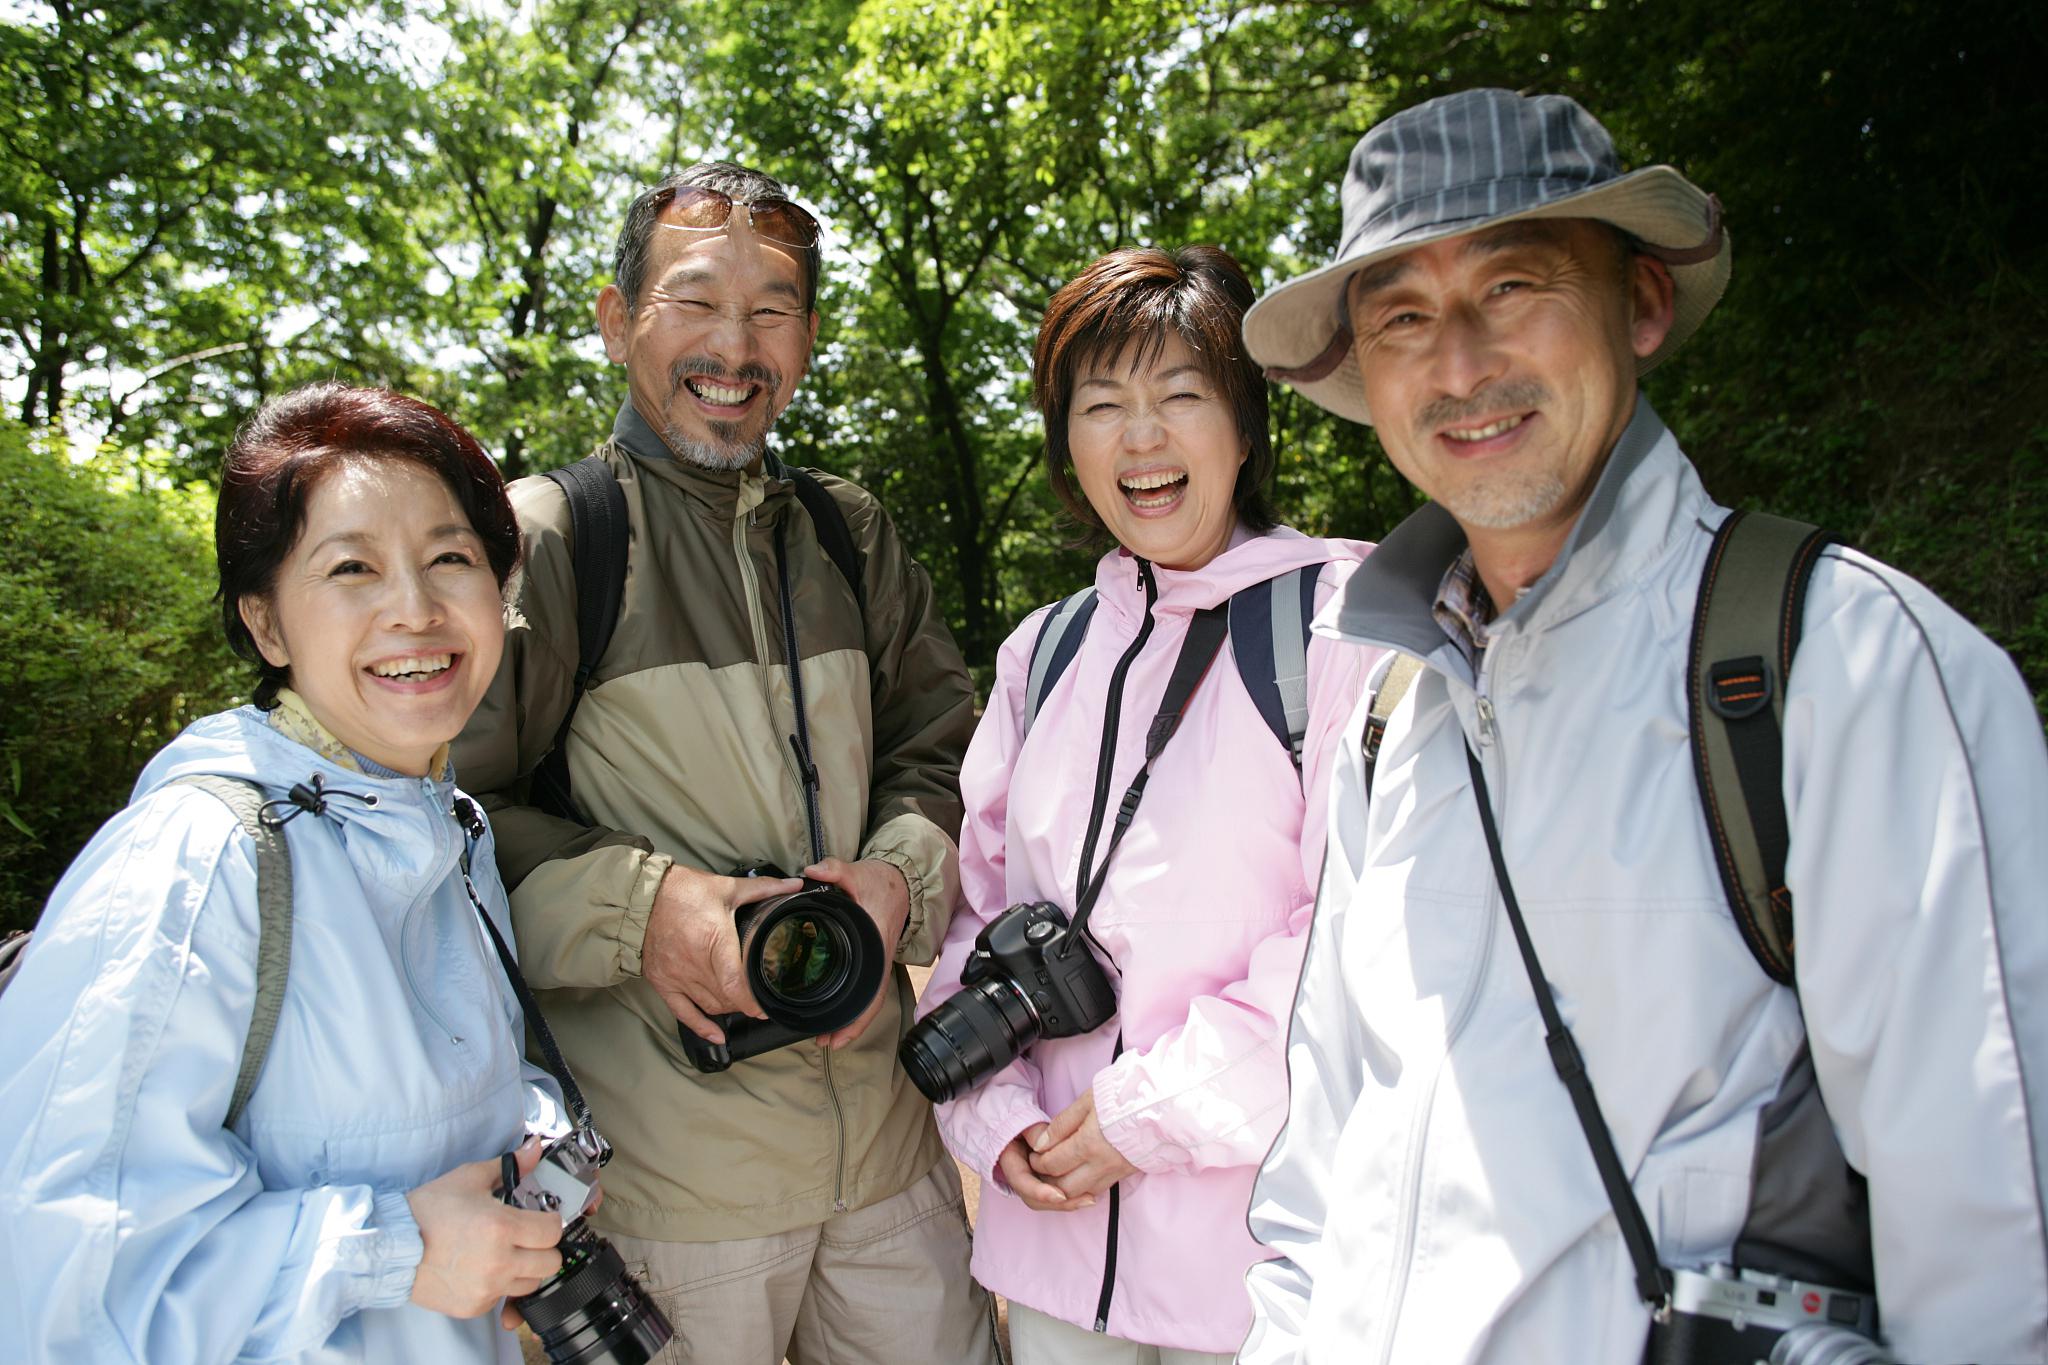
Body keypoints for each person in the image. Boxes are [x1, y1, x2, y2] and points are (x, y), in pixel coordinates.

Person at [1235, 87, 2048, 1364]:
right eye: (1400, 316)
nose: (1457, 364)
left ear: (1642, 304)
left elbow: (2001, 1238)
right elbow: (1318, 1171)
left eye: (1511, 286)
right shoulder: (1391, 711)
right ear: (1362, 375)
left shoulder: (1838, 662)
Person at [451, 161, 995, 1364]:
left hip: (893, 1167)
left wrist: (899, 880)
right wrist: (644, 911)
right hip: (666, 1197)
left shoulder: (849, 535)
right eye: (695, 301)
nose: (734, 347)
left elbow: (946, 750)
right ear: (616, 319)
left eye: (773, 309)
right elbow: (444, 826)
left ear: (806, 334)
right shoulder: (548, 539)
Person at [0, 384, 577, 1363]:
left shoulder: (451, 832)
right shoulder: (195, 866)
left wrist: (533, 1155)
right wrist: (395, 1251)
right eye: (351, 567)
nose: (416, 608)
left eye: (451, 558)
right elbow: (59, 1292)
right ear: (267, 627)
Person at [917, 245, 1375, 1363]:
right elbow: (972, 911)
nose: (1140, 437)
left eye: (1180, 396)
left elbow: (1353, 932)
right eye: (1101, 405)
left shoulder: (1336, 626)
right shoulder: (1047, 651)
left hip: (1262, 1256)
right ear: (1064, 443)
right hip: (1053, 1237)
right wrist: (993, 1118)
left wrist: (1141, 1122)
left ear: (1246, 423)